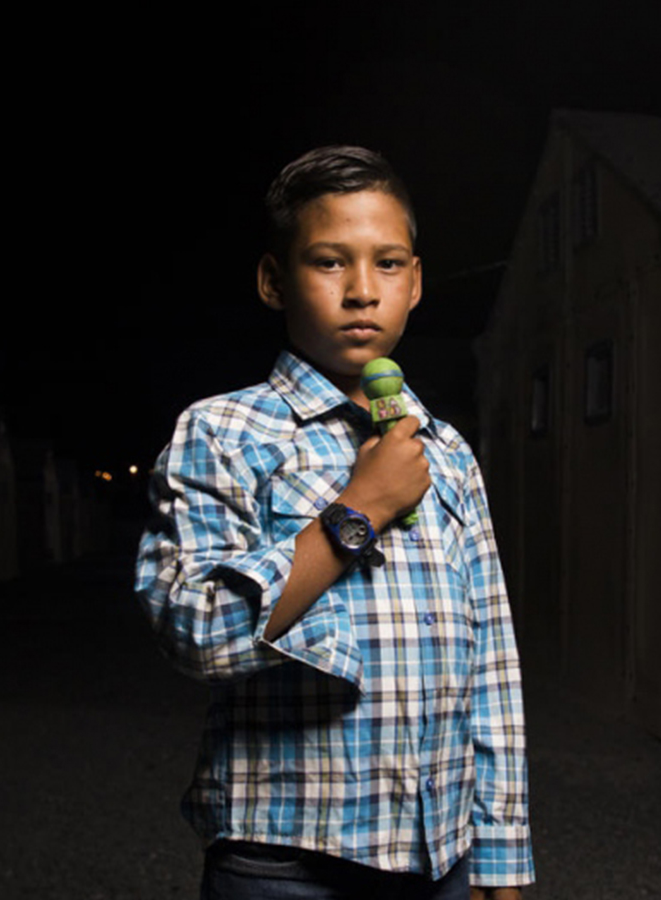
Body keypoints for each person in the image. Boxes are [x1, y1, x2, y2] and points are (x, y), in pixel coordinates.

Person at [136, 146, 533, 899]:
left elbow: (492, 661)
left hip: (440, 854)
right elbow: (195, 633)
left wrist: (503, 848)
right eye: (328, 262)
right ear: (273, 280)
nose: (361, 292)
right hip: (285, 858)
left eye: (387, 264)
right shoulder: (223, 431)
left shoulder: (444, 451)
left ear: (415, 283)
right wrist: (360, 511)